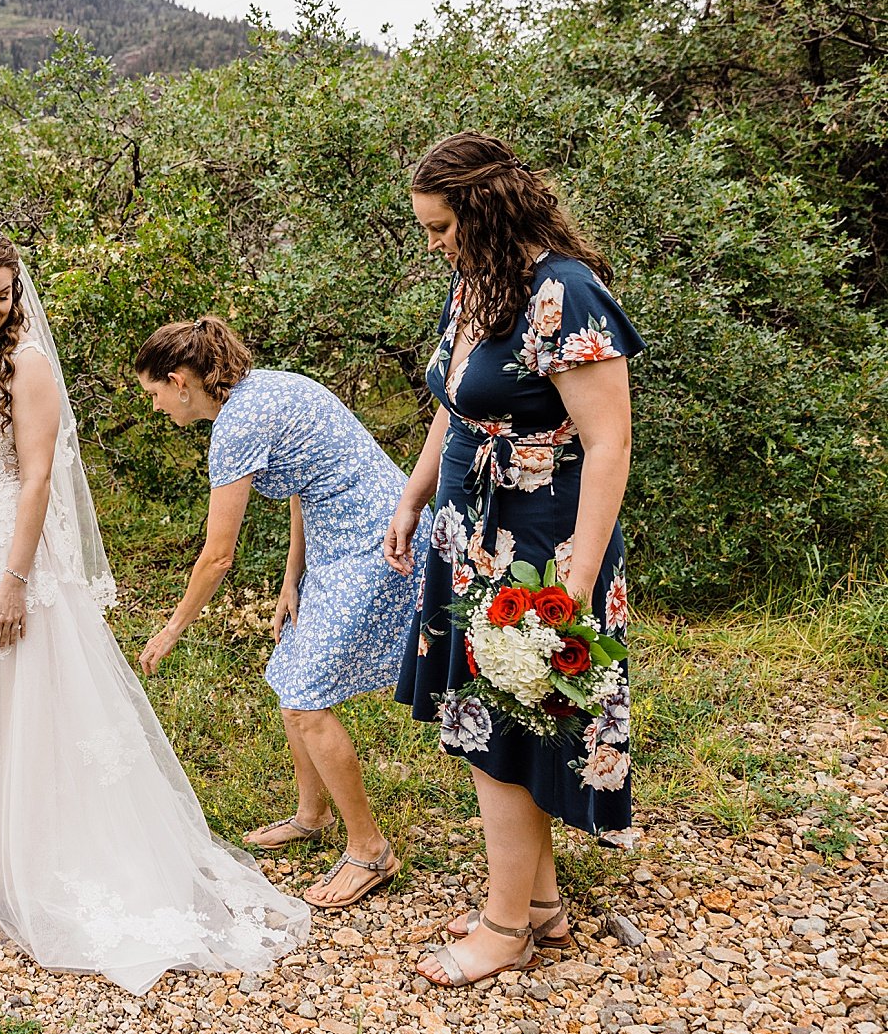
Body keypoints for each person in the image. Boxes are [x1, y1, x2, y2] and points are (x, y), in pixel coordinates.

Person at [0, 228, 309, 995]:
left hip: (3, 549)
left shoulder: (29, 366)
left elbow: (37, 478)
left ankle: (36, 851)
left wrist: (15, 576)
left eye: (3, 294)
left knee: (13, 697)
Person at [385, 131, 642, 987]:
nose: (433, 244)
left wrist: (571, 585)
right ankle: (538, 905)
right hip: (467, 532)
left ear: (485, 213)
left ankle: (504, 929)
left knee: (507, 728)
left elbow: (609, 445)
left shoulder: (566, 293)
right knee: (487, 721)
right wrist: (415, 495)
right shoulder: (477, 280)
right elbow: (457, 403)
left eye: (439, 227)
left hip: (539, 548)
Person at [133, 318, 429, 911]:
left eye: (155, 394)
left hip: (377, 542)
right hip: (341, 539)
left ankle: (369, 850)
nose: (157, 407)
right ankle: (311, 813)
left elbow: (217, 556)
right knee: (290, 669)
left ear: (179, 382)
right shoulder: (267, 386)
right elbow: (303, 480)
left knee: (304, 699)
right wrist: (294, 575)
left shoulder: (236, 426)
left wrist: (172, 628)